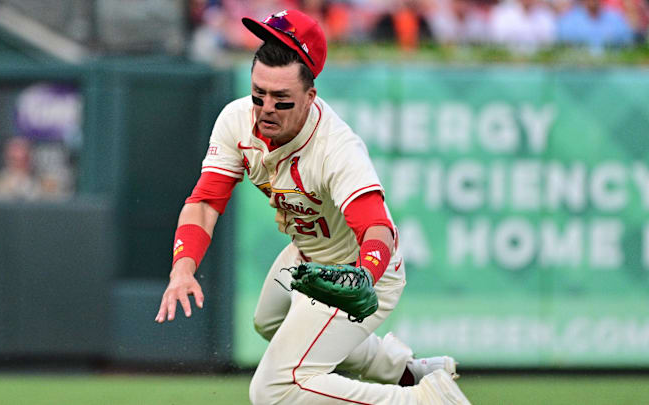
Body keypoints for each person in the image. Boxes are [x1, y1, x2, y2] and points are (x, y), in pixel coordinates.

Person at [155, 9, 470, 405]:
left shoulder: (336, 147)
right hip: (307, 257)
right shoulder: (237, 119)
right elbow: (204, 202)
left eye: (281, 100)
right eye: (258, 95)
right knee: (268, 320)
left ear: (310, 97)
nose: (266, 107)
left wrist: (362, 278)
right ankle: (405, 371)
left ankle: (424, 401)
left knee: (273, 390)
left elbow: (377, 228)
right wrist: (183, 268)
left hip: (361, 270)